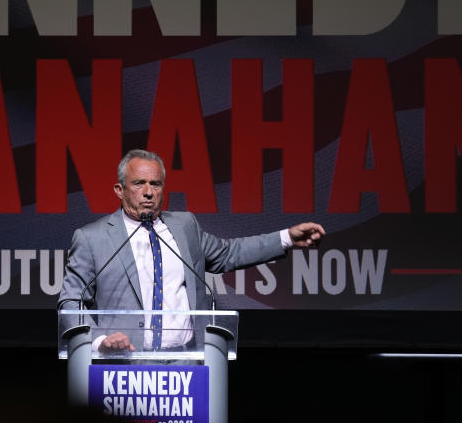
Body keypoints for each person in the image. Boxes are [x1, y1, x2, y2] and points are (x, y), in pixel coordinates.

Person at [57, 149, 325, 353]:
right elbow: (70, 303)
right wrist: (101, 340)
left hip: (185, 361)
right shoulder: (92, 238)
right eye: (139, 184)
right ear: (120, 190)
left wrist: (286, 238)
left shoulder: (185, 226)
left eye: (156, 184)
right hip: (122, 363)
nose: (148, 192)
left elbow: (229, 253)